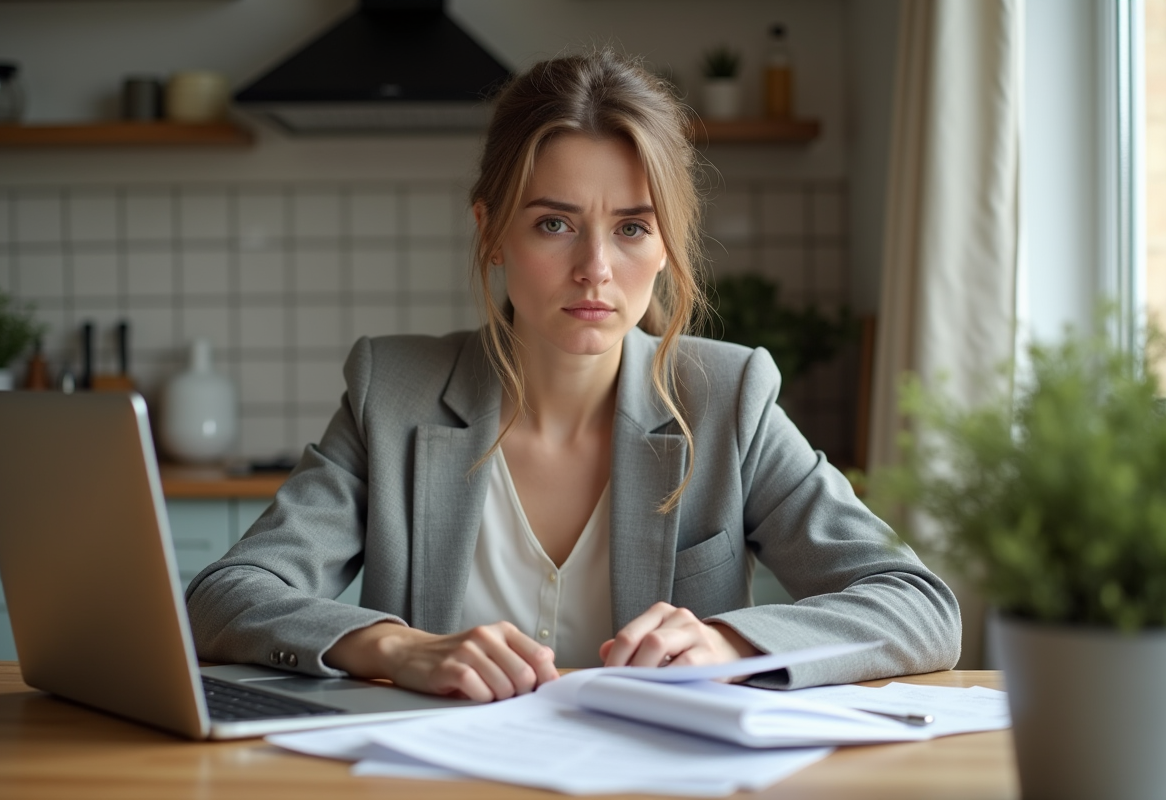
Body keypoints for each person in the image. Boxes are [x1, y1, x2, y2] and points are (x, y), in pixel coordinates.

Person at [186, 49, 960, 702]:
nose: (595, 270)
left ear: (666, 246)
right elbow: (224, 597)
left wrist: (730, 640)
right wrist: (393, 648)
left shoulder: (729, 399)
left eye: (631, 228)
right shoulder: (393, 392)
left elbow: (921, 608)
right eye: (554, 224)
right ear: (491, 233)